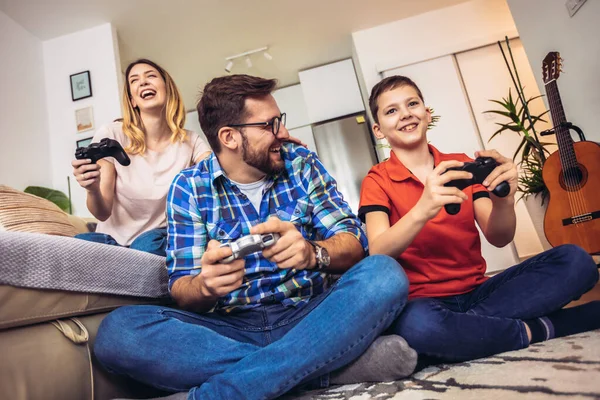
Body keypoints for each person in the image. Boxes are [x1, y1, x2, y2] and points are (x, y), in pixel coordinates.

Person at [93, 74, 418, 400]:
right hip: (231, 329)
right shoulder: (189, 187)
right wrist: (206, 285)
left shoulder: (302, 163)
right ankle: (323, 369)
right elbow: (182, 289)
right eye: (270, 125)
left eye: (280, 121)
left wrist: (312, 253)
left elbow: (354, 242)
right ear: (230, 137)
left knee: (384, 273)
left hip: (311, 315)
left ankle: (227, 390)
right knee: (117, 331)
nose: (284, 133)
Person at [359, 75, 600, 366]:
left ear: (427, 113)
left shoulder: (461, 164)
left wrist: (504, 200)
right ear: (379, 129)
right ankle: (549, 326)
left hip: (481, 293)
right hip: (424, 304)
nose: (405, 114)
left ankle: (463, 333)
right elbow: (379, 251)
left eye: (412, 103)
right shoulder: (377, 179)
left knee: (577, 261)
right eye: (391, 110)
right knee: (418, 324)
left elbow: (498, 236)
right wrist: (423, 208)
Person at [71, 59, 211, 256]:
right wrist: (92, 189)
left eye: (151, 76)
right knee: (77, 245)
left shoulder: (191, 141)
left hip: (158, 239)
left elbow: (216, 176)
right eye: (134, 80)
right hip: (114, 242)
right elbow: (102, 213)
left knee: (146, 245)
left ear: (167, 89)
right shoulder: (112, 134)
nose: (143, 82)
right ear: (133, 100)